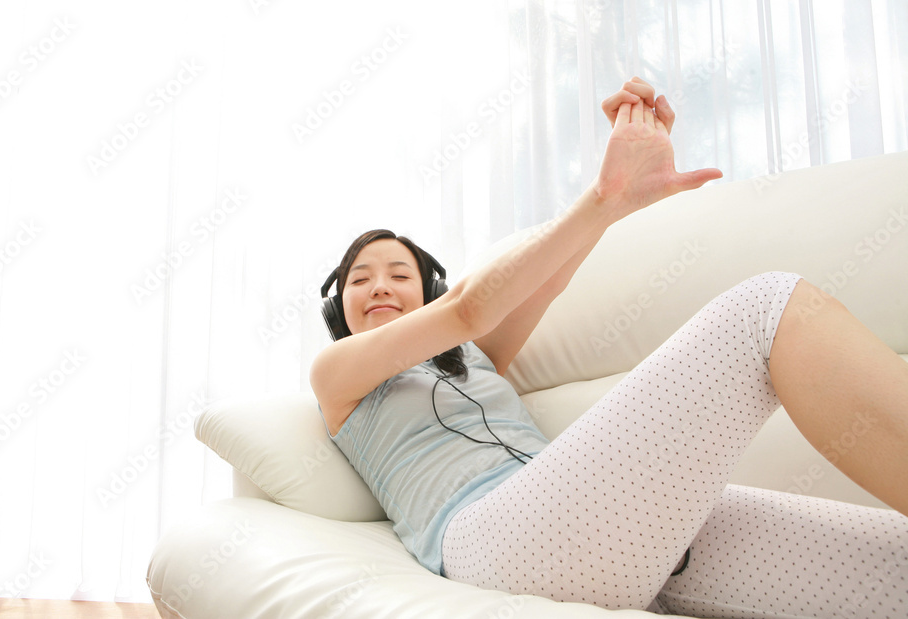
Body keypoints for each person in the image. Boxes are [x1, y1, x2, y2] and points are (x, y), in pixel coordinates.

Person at [310, 77, 908, 617]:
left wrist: (620, 205)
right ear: (339, 307)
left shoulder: (474, 358)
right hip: (494, 543)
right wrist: (604, 193)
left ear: (425, 291)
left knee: (895, 567)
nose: (380, 286)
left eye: (399, 274)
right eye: (360, 279)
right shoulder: (336, 374)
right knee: (766, 311)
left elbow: (546, 283)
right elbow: (468, 308)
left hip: (603, 527)